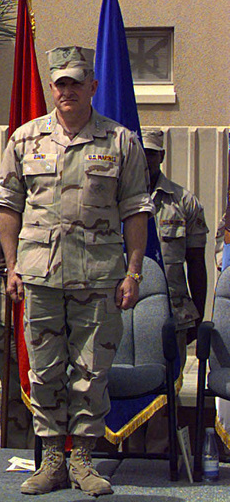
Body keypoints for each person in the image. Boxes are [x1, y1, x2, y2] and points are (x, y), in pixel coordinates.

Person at [0, 45, 152, 497]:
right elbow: (7, 205)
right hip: (39, 275)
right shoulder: (25, 140)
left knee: (91, 371)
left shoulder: (121, 142)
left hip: (99, 276)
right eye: (60, 82)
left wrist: (134, 272)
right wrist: (12, 266)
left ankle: (83, 457)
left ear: (92, 86)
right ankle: (52, 460)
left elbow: (137, 210)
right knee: (44, 371)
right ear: (51, 86)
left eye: (75, 82)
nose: (67, 90)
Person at [126, 127, 208, 453]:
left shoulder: (183, 201)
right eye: (141, 152)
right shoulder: (117, 200)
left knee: (167, 387)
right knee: (128, 384)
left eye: (152, 153)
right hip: (126, 309)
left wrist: (198, 317)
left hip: (173, 313)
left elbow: (196, 263)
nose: (146, 159)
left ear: (162, 155)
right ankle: (129, 453)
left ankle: (159, 455)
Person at [0, 207, 36, 449]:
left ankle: (47, 458)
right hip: (11, 310)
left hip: (54, 312)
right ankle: (13, 461)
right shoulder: (9, 200)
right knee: (13, 393)